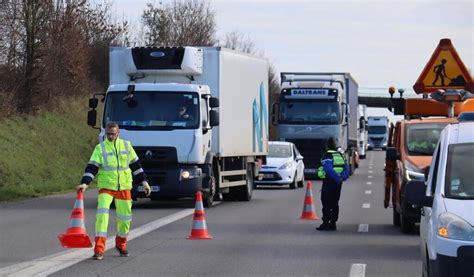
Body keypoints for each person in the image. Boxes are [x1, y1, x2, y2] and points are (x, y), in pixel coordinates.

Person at [76, 122, 151, 260]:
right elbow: (92, 167)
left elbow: (136, 165)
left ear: (118, 133)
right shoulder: (100, 148)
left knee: (125, 219)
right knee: (102, 218)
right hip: (107, 187)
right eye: (108, 134)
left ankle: (121, 245)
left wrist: (144, 182)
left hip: (124, 187)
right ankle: (99, 250)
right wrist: (85, 183)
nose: (110, 136)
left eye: (113, 134)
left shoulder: (126, 146)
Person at [316, 138, 349, 231]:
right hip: (338, 184)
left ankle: (326, 223)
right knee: (335, 203)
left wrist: (336, 178)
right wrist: (342, 178)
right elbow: (346, 169)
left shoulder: (327, 156)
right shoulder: (340, 155)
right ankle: (333, 223)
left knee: (326, 202)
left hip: (329, 182)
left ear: (327, 145)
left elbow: (328, 169)